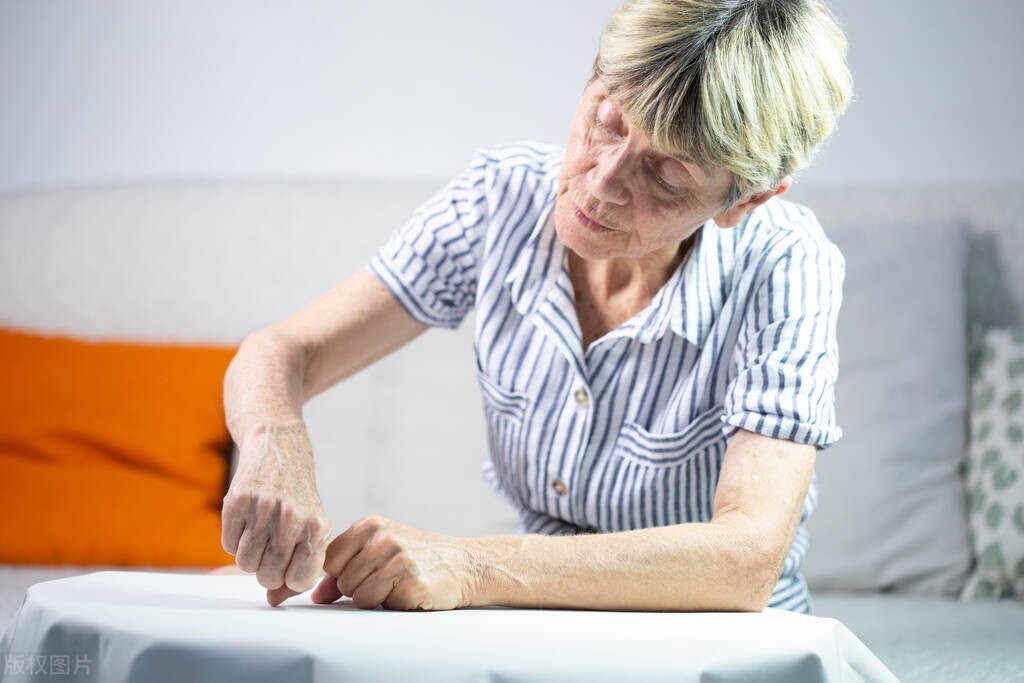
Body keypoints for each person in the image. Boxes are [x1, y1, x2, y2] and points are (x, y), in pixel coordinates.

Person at [219, 0, 853, 614]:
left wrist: (471, 565)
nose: (601, 181)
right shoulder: (502, 195)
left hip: (720, 650)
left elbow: (745, 561)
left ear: (747, 200)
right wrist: (276, 446)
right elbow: (282, 351)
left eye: (668, 175)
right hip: (540, 630)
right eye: (609, 120)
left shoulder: (788, 262)